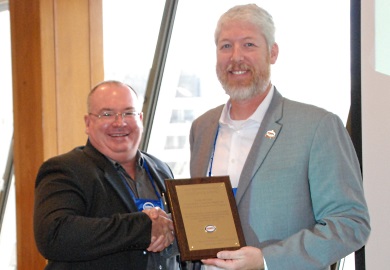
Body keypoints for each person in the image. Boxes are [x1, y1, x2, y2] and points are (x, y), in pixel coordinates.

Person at [189, 4, 370, 270]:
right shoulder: (202, 128)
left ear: (273, 53)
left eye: (249, 44)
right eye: (226, 46)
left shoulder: (318, 126)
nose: (236, 57)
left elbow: (351, 223)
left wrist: (266, 260)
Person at [34, 80, 180, 269]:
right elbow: (54, 235)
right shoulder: (65, 169)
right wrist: (142, 226)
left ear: (141, 119)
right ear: (88, 123)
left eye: (129, 113)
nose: (120, 123)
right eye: (107, 114)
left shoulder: (161, 169)